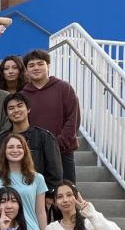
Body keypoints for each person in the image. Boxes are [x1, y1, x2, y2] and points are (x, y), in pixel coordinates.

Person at [23, 49, 82, 182]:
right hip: (34, 155)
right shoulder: (23, 95)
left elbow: (73, 118)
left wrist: (56, 145)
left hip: (63, 151)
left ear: (48, 66)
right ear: (26, 70)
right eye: (31, 65)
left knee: (65, 195)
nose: (36, 68)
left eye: (40, 64)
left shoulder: (64, 88)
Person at [0, 92, 62, 190]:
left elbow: (55, 171)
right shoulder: (0, 140)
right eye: (11, 108)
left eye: (20, 106)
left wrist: (49, 196)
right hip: (9, 195)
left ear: (28, 109)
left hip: (39, 194)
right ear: (7, 114)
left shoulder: (45, 137)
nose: (16, 110)